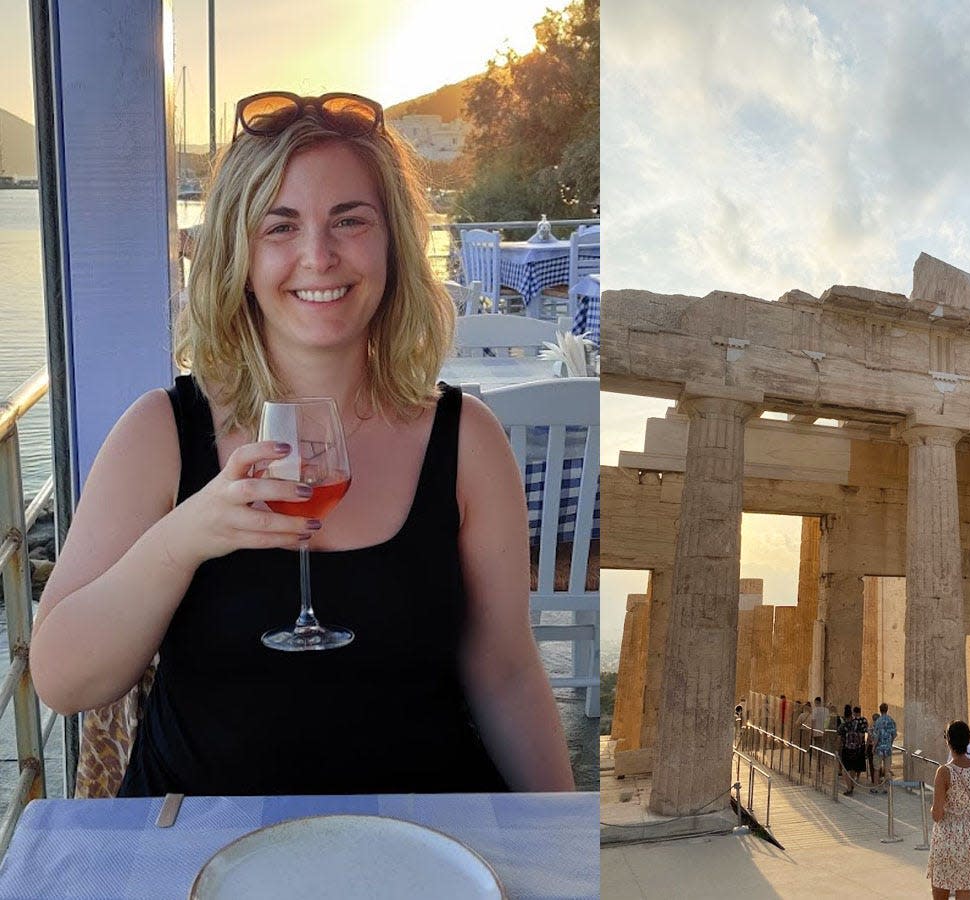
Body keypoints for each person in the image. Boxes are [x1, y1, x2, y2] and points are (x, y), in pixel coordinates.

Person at [28, 90, 574, 796]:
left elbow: (505, 674)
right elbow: (64, 682)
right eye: (279, 226)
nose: (319, 256)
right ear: (238, 255)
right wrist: (185, 536)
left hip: (428, 844)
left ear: (394, 245)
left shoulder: (468, 441)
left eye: (350, 221)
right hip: (201, 849)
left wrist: (560, 845)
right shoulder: (161, 432)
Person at [927, 721, 970, 899]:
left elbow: (937, 814)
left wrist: (938, 809)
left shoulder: (944, 772)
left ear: (948, 741)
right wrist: (967, 812)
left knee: (941, 888)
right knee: (964, 889)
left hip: (947, 836)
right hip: (969, 834)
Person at [838, 704, 868, 796]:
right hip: (856, 749)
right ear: (851, 715)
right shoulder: (857, 724)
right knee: (853, 768)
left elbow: (839, 739)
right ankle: (852, 784)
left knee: (845, 770)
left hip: (846, 749)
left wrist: (838, 750)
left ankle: (849, 787)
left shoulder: (842, 726)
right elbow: (862, 735)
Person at [869, 702, 898, 793]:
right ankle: (885, 787)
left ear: (880, 710)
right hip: (888, 748)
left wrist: (874, 747)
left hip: (879, 749)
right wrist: (890, 743)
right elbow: (894, 734)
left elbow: (876, 736)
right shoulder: (891, 721)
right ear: (887, 709)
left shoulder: (878, 721)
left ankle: (876, 787)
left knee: (877, 769)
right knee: (887, 769)